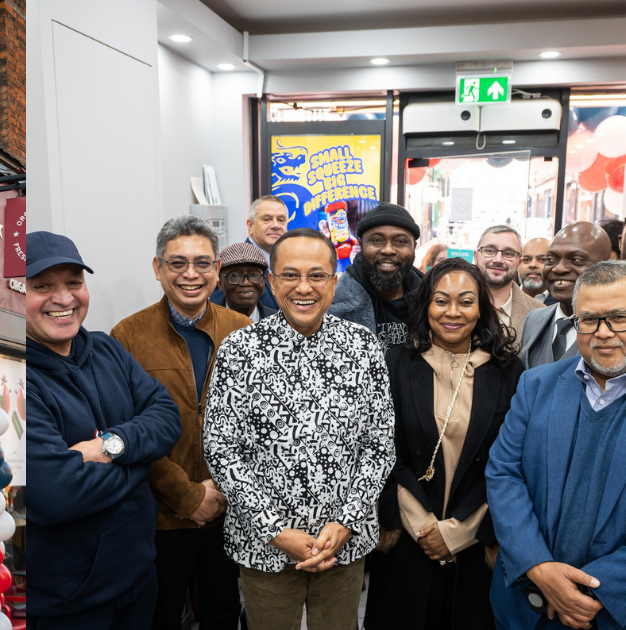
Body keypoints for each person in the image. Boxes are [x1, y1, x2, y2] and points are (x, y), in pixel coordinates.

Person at [203, 228, 395, 630]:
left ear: (334, 281)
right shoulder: (240, 349)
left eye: (316, 275)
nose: (303, 287)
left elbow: (379, 446)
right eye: (290, 275)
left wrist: (346, 521)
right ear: (272, 282)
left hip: (342, 542)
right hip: (264, 544)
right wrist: (275, 529)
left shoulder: (363, 347)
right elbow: (221, 449)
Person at [25, 231, 183, 630]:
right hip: (69, 602)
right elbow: (58, 494)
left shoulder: (107, 348)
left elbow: (167, 417)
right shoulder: (18, 378)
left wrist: (108, 446)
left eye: (74, 283)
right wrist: (140, 458)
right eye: (42, 286)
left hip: (138, 576)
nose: (63, 299)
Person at [365, 258, 525, 630]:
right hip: (408, 539)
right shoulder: (397, 364)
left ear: (482, 308)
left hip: (475, 545)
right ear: (425, 305)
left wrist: (457, 533)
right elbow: (382, 453)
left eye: (466, 301)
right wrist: (424, 527)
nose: (453, 312)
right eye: (441, 300)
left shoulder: (509, 372)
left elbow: (511, 464)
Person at [110, 216, 251, 630]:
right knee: (160, 616)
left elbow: (257, 426)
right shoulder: (128, 336)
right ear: (157, 269)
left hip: (230, 510)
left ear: (217, 271)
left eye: (203, 263)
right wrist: (188, 495)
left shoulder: (242, 331)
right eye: (177, 263)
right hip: (160, 514)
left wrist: (222, 491)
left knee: (223, 615)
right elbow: (125, 431)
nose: (191, 274)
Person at [487, 260, 626, 630]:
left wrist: (595, 588)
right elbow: (503, 473)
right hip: (524, 604)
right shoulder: (536, 385)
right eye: (590, 319)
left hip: (605, 612)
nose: (604, 333)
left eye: (619, 317)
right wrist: (539, 567)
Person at [329, 202, 424, 348]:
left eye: (400, 241)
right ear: (361, 246)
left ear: (414, 247)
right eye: (377, 240)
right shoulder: (335, 306)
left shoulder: (430, 301)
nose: (388, 250)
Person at [518, 222, 613, 369]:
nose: (559, 268)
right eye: (551, 259)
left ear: (606, 266)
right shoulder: (533, 319)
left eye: (576, 260)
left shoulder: (615, 329)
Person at [473, 225, 544, 345]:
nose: (498, 260)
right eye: (490, 251)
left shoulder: (540, 314)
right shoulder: (452, 305)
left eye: (509, 254)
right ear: (476, 256)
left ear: (519, 263)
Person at [213, 242, 279, 321]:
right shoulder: (205, 324)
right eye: (235, 275)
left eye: (254, 275)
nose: (246, 283)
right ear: (219, 282)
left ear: (264, 280)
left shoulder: (280, 324)